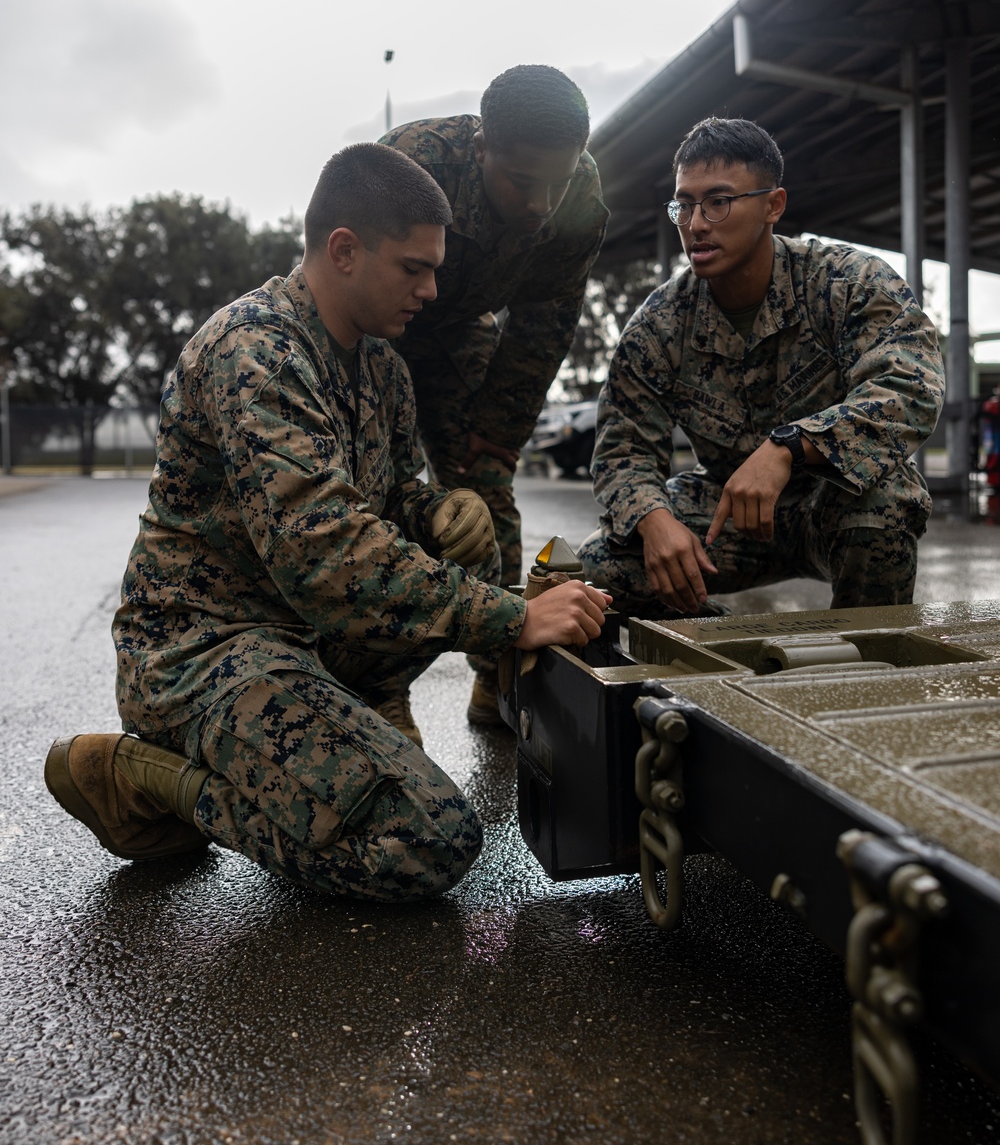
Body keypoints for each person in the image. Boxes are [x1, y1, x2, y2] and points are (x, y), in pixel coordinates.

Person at [44, 143, 610, 901]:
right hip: (202, 650)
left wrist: (439, 509)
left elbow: (385, 500)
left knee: (458, 545)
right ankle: (149, 777)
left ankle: (353, 718)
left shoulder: (381, 367)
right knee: (427, 837)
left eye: (436, 268)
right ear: (344, 250)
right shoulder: (257, 352)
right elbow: (326, 553)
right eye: (414, 268)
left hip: (307, 638)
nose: (434, 290)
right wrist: (513, 619)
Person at [578, 116, 945, 613]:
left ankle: (866, 662)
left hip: (832, 501)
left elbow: (908, 389)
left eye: (719, 202)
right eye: (683, 205)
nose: (697, 224)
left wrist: (792, 446)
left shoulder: (846, 282)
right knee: (601, 565)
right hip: (727, 517)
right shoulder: (660, 324)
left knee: (888, 501)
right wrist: (653, 520)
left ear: (773, 205)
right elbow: (623, 451)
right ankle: (719, 650)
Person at [380, 64, 609, 722]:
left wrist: (497, 436)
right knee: (372, 495)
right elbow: (348, 286)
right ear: (482, 148)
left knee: (482, 491)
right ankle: (370, 688)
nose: (541, 204)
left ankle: (500, 673)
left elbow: (547, 318)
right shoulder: (412, 165)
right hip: (373, 330)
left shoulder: (581, 195)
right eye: (521, 181)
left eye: (557, 182)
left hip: (458, 333)